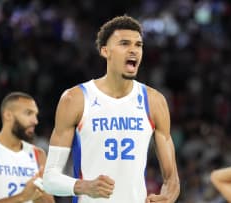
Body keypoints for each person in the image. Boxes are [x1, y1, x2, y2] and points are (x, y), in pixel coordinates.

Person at [42, 15, 180, 203]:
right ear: (105, 51)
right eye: (124, 43)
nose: (133, 50)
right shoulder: (75, 99)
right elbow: (49, 179)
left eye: (138, 45)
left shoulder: (154, 101)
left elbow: (171, 179)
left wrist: (167, 198)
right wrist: (85, 186)